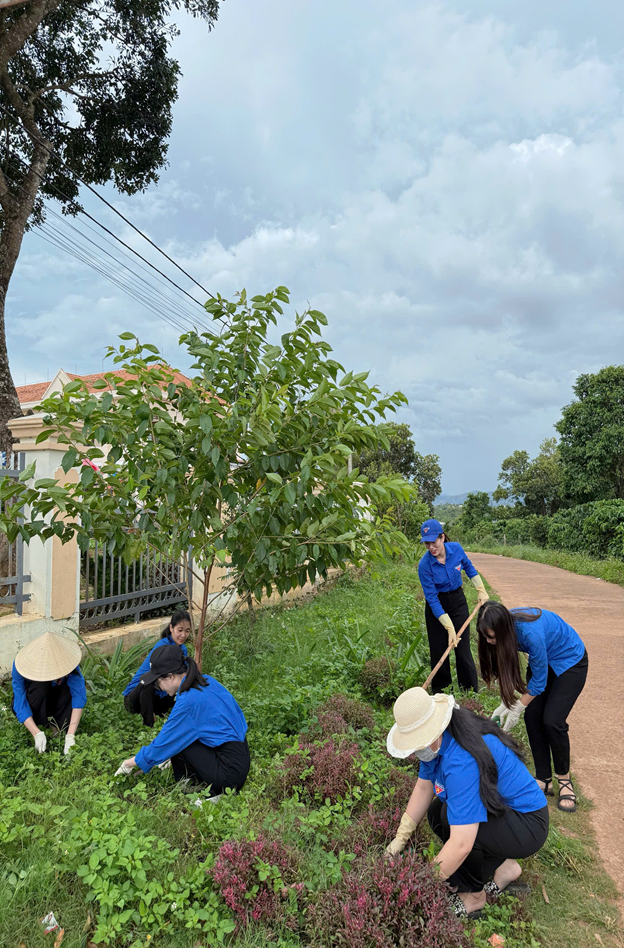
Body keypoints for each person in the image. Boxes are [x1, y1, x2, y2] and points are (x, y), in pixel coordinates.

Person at [385, 686, 548, 918]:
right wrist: (400, 837)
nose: (416, 751)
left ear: (432, 731)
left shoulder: (461, 759)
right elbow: (424, 787)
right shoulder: (439, 739)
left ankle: (474, 897)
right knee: (437, 813)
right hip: (505, 813)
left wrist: (418, 885)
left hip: (528, 823)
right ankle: (505, 867)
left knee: (453, 823)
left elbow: (462, 843)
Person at [477, 601, 588, 813]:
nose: (489, 641)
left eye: (492, 637)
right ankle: (543, 778)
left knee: (552, 720)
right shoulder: (504, 628)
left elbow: (539, 682)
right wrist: (506, 704)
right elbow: (523, 671)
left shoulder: (530, 634)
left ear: (504, 629)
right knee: (533, 717)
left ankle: (564, 780)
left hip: (570, 662)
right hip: (544, 660)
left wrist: (517, 707)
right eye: (485, 636)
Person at [114, 645, 250, 796]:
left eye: (157, 682)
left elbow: (165, 742)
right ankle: (199, 783)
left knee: (179, 741)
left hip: (228, 776)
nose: (158, 688)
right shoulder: (206, 681)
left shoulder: (188, 702)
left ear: (170, 676)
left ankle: (197, 789)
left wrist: (131, 763)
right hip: (240, 759)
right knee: (182, 737)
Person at [417, 518, 488, 693]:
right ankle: (441, 692)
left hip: (457, 602)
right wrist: (448, 626)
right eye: (427, 544)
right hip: (437, 607)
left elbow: (469, 568)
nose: (431, 547)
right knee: (440, 650)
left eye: (434, 542)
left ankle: (470, 691)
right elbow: (432, 598)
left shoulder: (456, 549)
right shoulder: (424, 566)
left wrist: (481, 589)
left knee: (462, 649)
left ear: (442, 537)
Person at [11, 631, 86, 755]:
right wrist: (36, 733)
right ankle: (40, 724)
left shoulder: (69, 664)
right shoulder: (20, 664)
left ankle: (56, 727)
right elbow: (19, 702)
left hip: (57, 695)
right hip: (36, 697)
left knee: (68, 691)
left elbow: (79, 696)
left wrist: (70, 736)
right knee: (41, 687)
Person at [123, 610, 192, 726]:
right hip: (136, 697)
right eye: (180, 630)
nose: (183, 635)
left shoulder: (182, 649)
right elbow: (152, 678)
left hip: (158, 696)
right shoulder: (162, 646)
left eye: (187, 631)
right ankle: (148, 724)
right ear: (171, 628)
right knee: (150, 682)